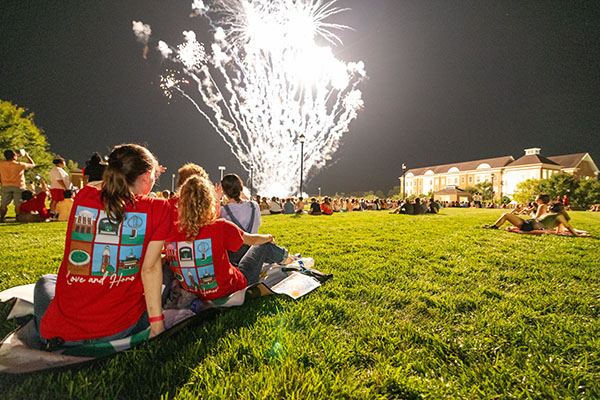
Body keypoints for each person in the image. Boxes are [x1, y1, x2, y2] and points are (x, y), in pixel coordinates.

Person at [33, 144, 172, 349]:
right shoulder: (159, 208)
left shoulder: (84, 196)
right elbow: (150, 269)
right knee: (165, 271)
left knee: (46, 281)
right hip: (120, 329)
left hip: (61, 333)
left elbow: (102, 186)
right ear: (144, 178)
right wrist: (157, 327)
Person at [167, 175, 299, 301]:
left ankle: (287, 258)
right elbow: (253, 240)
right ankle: (290, 260)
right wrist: (269, 237)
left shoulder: (170, 231)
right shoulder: (220, 226)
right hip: (229, 288)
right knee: (263, 244)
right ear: (209, 200)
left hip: (195, 290)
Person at [218, 174, 261, 265]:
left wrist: (217, 199)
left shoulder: (222, 211)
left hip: (234, 258)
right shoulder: (254, 206)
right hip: (253, 254)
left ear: (224, 192)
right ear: (241, 188)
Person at [484, 202, 580, 235]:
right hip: (529, 223)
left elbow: (567, 227)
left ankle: (494, 227)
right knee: (507, 215)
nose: (550, 208)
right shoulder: (555, 216)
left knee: (506, 214)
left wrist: (576, 235)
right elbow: (560, 229)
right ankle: (494, 226)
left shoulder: (558, 216)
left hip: (528, 225)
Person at [0, 149, 35, 221]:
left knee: (3, 204)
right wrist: (27, 156)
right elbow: (32, 164)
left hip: (5, 185)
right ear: (14, 156)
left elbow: (7, 161)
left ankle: (2, 217)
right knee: (18, 204)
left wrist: (15, 156)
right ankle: (18, 218)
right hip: (19, 185)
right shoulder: (20, 165)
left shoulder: (1, 164)